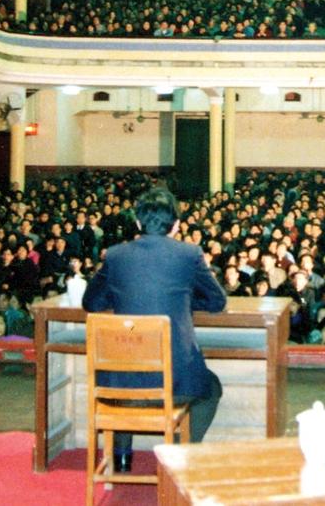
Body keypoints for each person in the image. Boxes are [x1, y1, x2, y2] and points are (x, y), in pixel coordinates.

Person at [82, 187, 227, 474]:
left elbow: (91, 302)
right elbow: (217, 301)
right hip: (175, 383)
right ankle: (177, 455)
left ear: (137, 223)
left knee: (126, 375)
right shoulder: (189, 253)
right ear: (176, 225)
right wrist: (184, 298)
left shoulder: (115, 255)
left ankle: (122, 458)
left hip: (117, 385)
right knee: (211, 389)